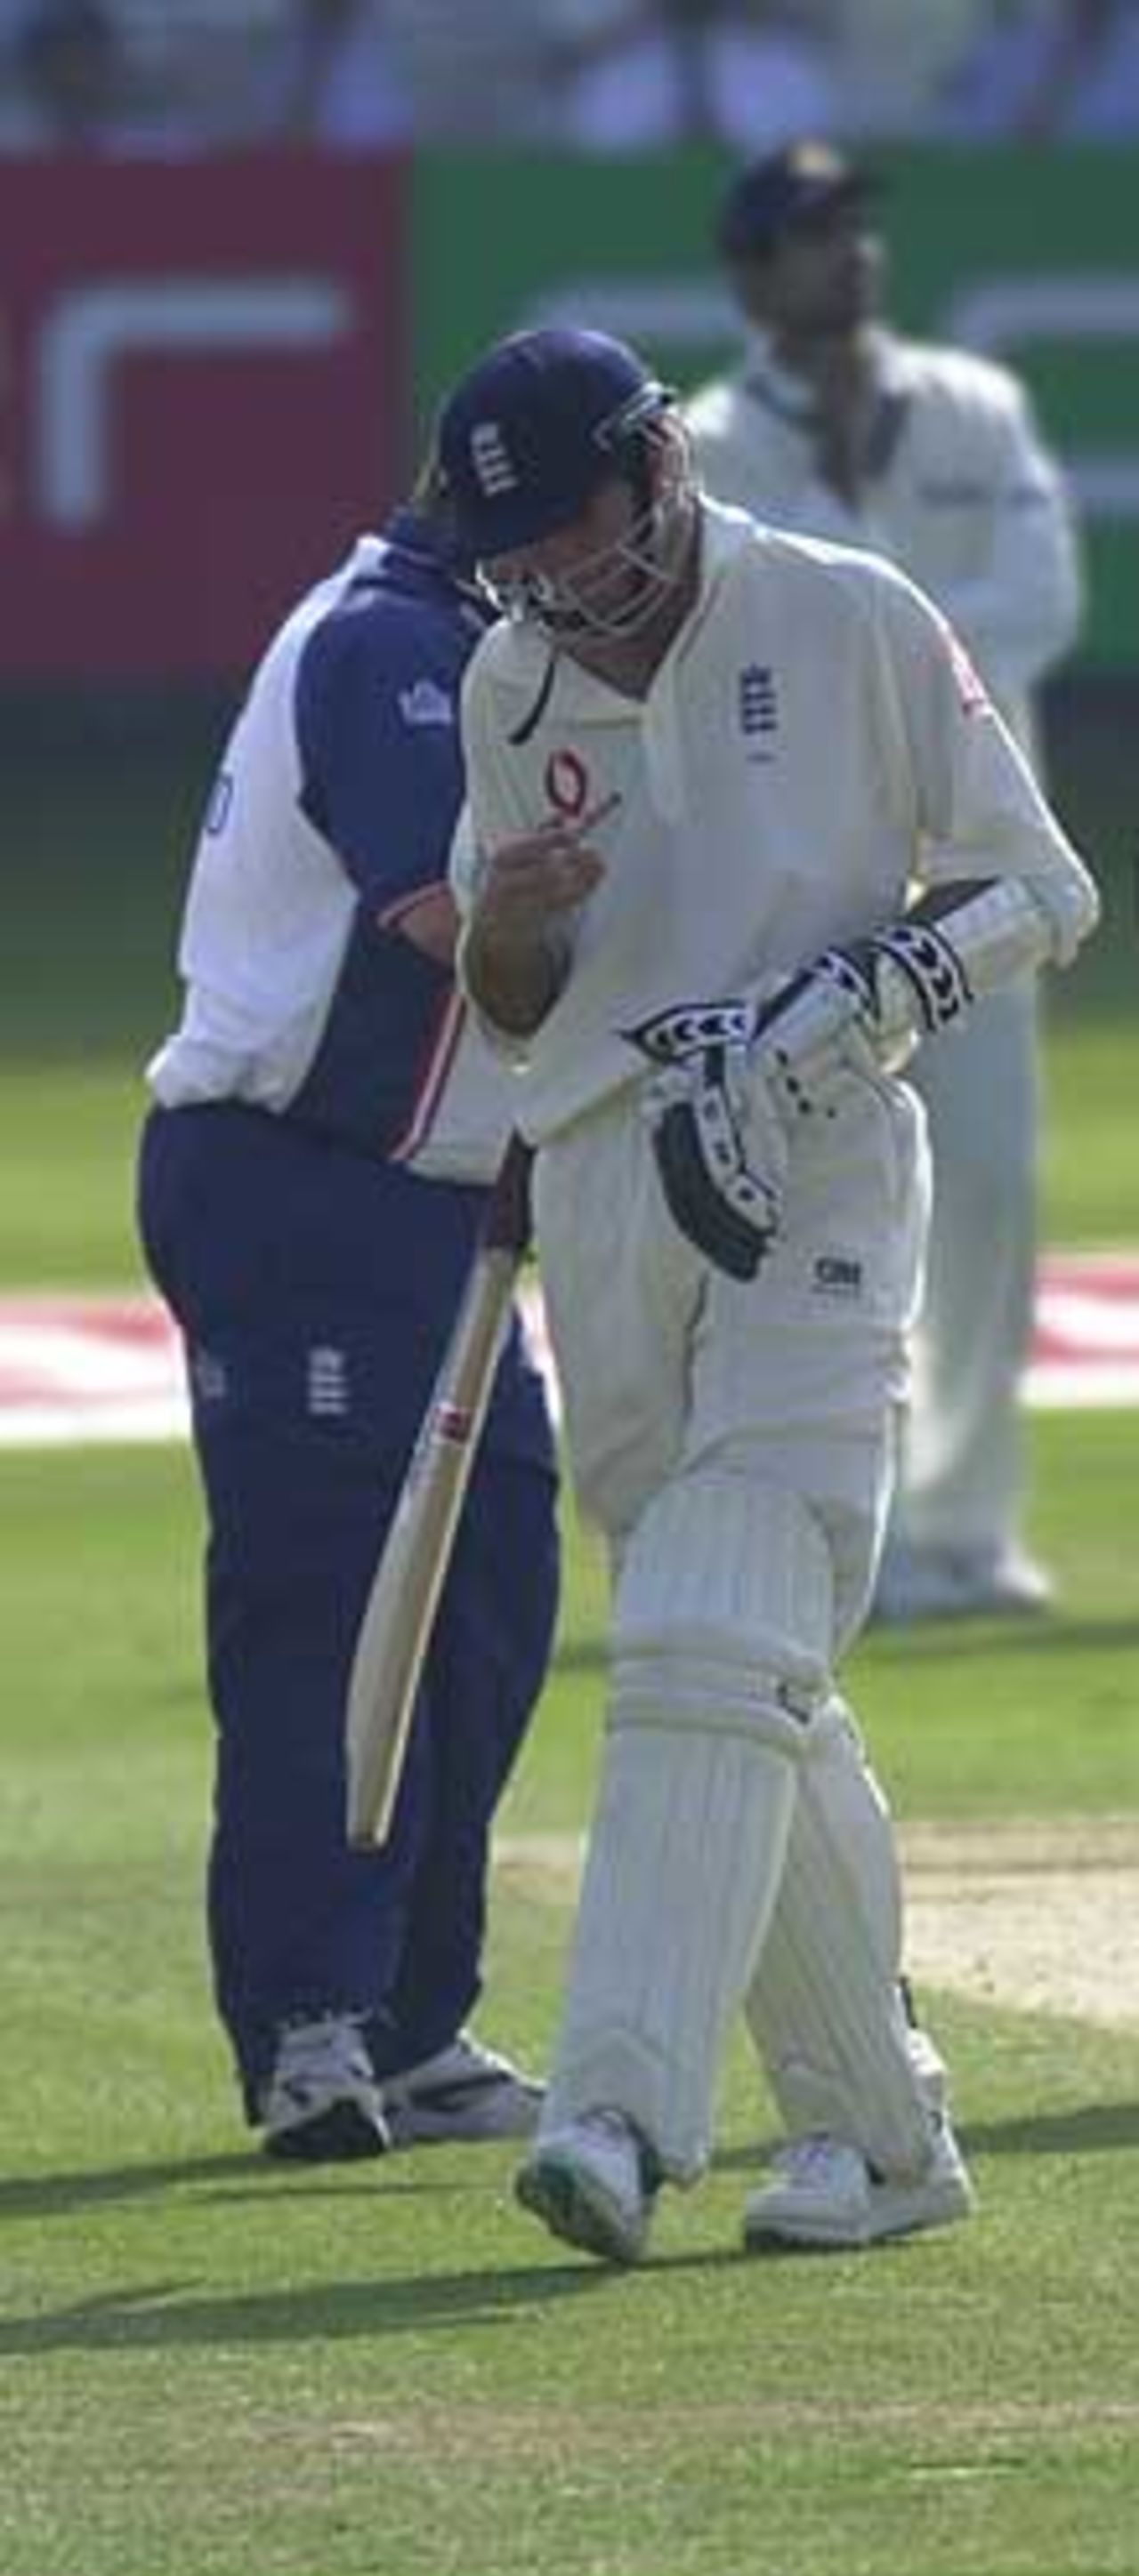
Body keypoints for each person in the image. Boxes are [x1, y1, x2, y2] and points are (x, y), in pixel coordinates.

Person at [436, 323, 1097, 2262]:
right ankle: (879, 2128)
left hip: (809, 1142)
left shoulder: (850, 614)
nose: (567, 587)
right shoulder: (505, 679)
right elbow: (505, 1007)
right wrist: (504, 929)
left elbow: (1040, 891)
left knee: (722, 1612)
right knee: (732, 1669)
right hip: (601, 1179)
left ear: (659, 464)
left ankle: (618, 2114)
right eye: (527, 562)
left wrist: (862, 1001)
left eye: (583, 534)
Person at [137, 476, 560, 2161]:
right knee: (324, 1601)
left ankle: (414, 2015)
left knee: (493, 1595)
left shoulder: (467, 640)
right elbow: (455, 931)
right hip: (298, 1179)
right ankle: (313, 2023)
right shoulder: (391, 643)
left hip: (426, 1193)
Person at [684, 140, 1085, 1621]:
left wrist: (889, 651)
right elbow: (750, 647)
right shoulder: (715, 448)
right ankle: (853, 1518)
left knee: (987, 1185)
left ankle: (966, 1528)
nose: (847, 254)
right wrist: (906, 658)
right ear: (749, 271)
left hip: (982, 874)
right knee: (839, 1196)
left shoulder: (975, 407)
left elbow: (1044, 604)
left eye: (856, 227)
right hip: (820, 874)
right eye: (810, 233)